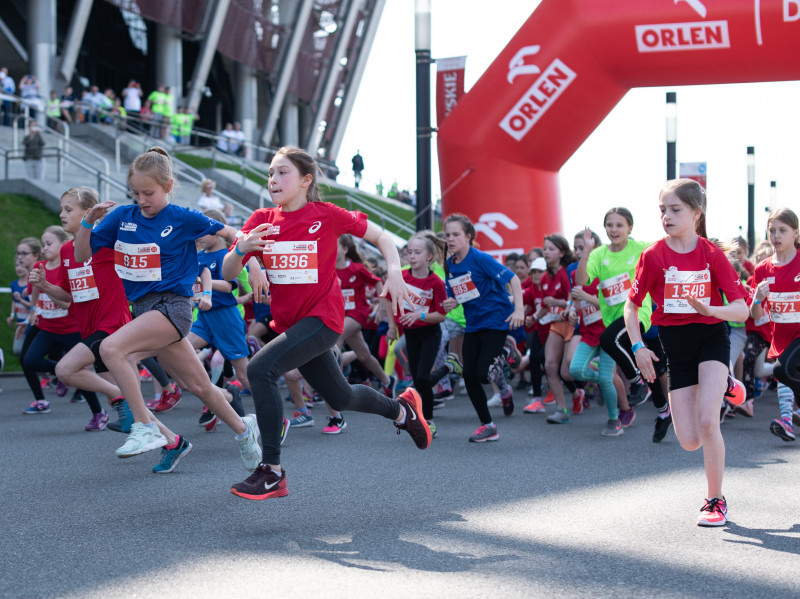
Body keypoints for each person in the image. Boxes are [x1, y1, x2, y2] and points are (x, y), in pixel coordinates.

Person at [221, 145, 430, 500]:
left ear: (306, 180)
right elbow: (227, 273)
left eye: (282, 172)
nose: (273, 179)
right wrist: (242, 250)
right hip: (292, 323)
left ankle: (271, 470)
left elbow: (381, 237)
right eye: (270, 173)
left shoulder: (327, 215)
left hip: (324, 319)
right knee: (341, 395)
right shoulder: (260, 220)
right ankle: (402, 409)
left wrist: (395, 273)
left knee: (260, 370)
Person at [74, 147, 261, 473]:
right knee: (199, 386)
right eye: (135, 192)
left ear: (168, 186)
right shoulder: (122, 217)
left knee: (111, 347)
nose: (142, 199)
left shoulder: (182, 217)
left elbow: (231, 233)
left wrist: (252, 260)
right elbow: (80, 254)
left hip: (173, 308)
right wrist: (88, 222)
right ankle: (246, 431)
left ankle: (144, 426)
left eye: (149, 192)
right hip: (144, 310)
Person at [625, 178, 748, 527]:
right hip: (674, 346)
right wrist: (638, 347)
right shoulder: (652, 255)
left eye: (675, 209)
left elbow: (741, 310)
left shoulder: (711, 255)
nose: (666, 216)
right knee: (690, 440)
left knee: (709, 422)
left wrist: (711, 310)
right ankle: (726, 384)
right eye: (662, 210)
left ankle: (715, 500)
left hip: (710, 337)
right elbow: (631, 308)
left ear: (696, 213)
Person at [577, 207, 671, 440]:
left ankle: (637, 383)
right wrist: (586, 251)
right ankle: (663, 412)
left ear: (630, 228)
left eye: (620, 225)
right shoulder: (599, 254)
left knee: (608, 339)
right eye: (610, 225)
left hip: (639, 313)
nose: (614, 230)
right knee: (645, 365)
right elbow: (581, 280)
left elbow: (669, 244)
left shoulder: (640, 248)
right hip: (614, 319)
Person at [441, 213, 524, 442]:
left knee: (483, 376)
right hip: (473, 324)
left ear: (468, 236)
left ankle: (506, 349)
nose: (450, 239)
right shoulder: (450, 264)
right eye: (448, 235)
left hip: (496, 320)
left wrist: (519, 310)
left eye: (456, 234)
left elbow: (513, 280)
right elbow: (460, 293)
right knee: (469, 375)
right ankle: (488, 425)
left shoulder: (480, 259)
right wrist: (453, 302)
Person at [23, 225, 104, 424]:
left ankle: (98, 413)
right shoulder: (39, 266)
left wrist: (48, 289)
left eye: (49, 244)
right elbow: (35, 288)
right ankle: (61, 373)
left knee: (79, 374)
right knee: (30, 361)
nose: (44, 248)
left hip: (72, 329)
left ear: (63, 244)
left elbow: (67, 302)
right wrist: (34, 310)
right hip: (47, 328)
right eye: (43, 245)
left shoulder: (68, 267)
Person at [385, 232, 447, 436]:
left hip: (430, 333)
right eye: (409, 252)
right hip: (410, 334)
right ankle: (447, 368)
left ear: (429, 256)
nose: (411, 256)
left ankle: (428, 420)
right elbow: (386, 297)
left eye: (417, 252)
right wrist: (392, 326)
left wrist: (420, 315)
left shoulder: (436, 282)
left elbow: (441, 316)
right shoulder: (401, 276)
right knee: (419, 378)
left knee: (421, 377)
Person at [750, 208, 800, 442]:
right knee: (784, 376)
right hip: (781, 336)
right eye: (772, 231)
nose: (776, 236)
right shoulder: (762, 269)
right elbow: (755, 313)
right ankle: (787, 422)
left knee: (781, 370)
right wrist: (758, 298)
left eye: (783, 230)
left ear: (795, 234)